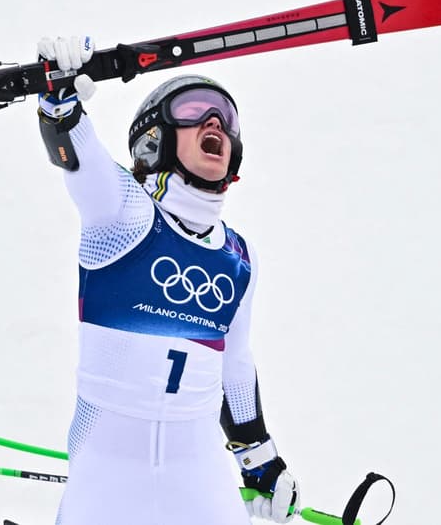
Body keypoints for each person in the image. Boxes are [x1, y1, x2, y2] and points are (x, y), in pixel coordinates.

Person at [34, 35, 300, 525]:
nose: (215, 121)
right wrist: (58, 99)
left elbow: (235, 364)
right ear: (153, 138)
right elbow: (79, 157)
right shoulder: (123, 216)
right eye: (195, 110)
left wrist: (259, 459)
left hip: (200, 475)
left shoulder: (240, 258)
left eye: (225, 116)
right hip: (107, 475)